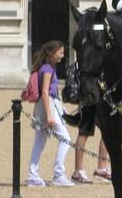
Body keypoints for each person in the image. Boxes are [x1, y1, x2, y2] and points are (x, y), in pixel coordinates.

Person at [27, 40, 74, 187]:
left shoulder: (48, 67)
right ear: (51, 53)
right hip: (47, 106)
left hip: (48, 105)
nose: (62, 56)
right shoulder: (47, 69)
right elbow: (45, 93)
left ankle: (33, 175)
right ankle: (58, 174)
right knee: (65, 139)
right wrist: (49, 115)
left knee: (39, 143)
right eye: (60, 53)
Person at [67, 105, 111, 184]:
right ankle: (78, 172)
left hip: (99, 98)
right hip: (89, 98)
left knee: (108, 129)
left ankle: (102, 169)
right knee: (84, 132)